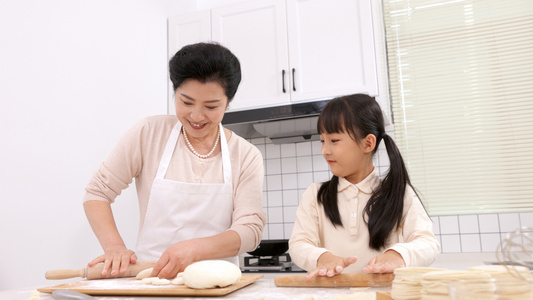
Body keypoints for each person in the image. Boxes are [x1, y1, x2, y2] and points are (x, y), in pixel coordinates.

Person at [83, 42, 266, 279]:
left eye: (211, 106)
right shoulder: (149, 133)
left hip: (218, 286)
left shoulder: (246, 154)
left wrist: (194, 250)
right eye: (186, 102)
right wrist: (115, 248)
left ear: (228, 103)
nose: (197, 116)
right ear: (174, 92)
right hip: (150, 282)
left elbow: (250, 230)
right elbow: (98, 193)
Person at [289, 94, 440, 278]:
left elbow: (428, 243)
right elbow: (298, 243)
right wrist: (321, 257)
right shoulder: (315, 195)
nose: (325, 150)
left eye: (334, 140)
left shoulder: (399, 193)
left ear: (368, 143)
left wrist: (397, 255)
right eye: (322, 140)